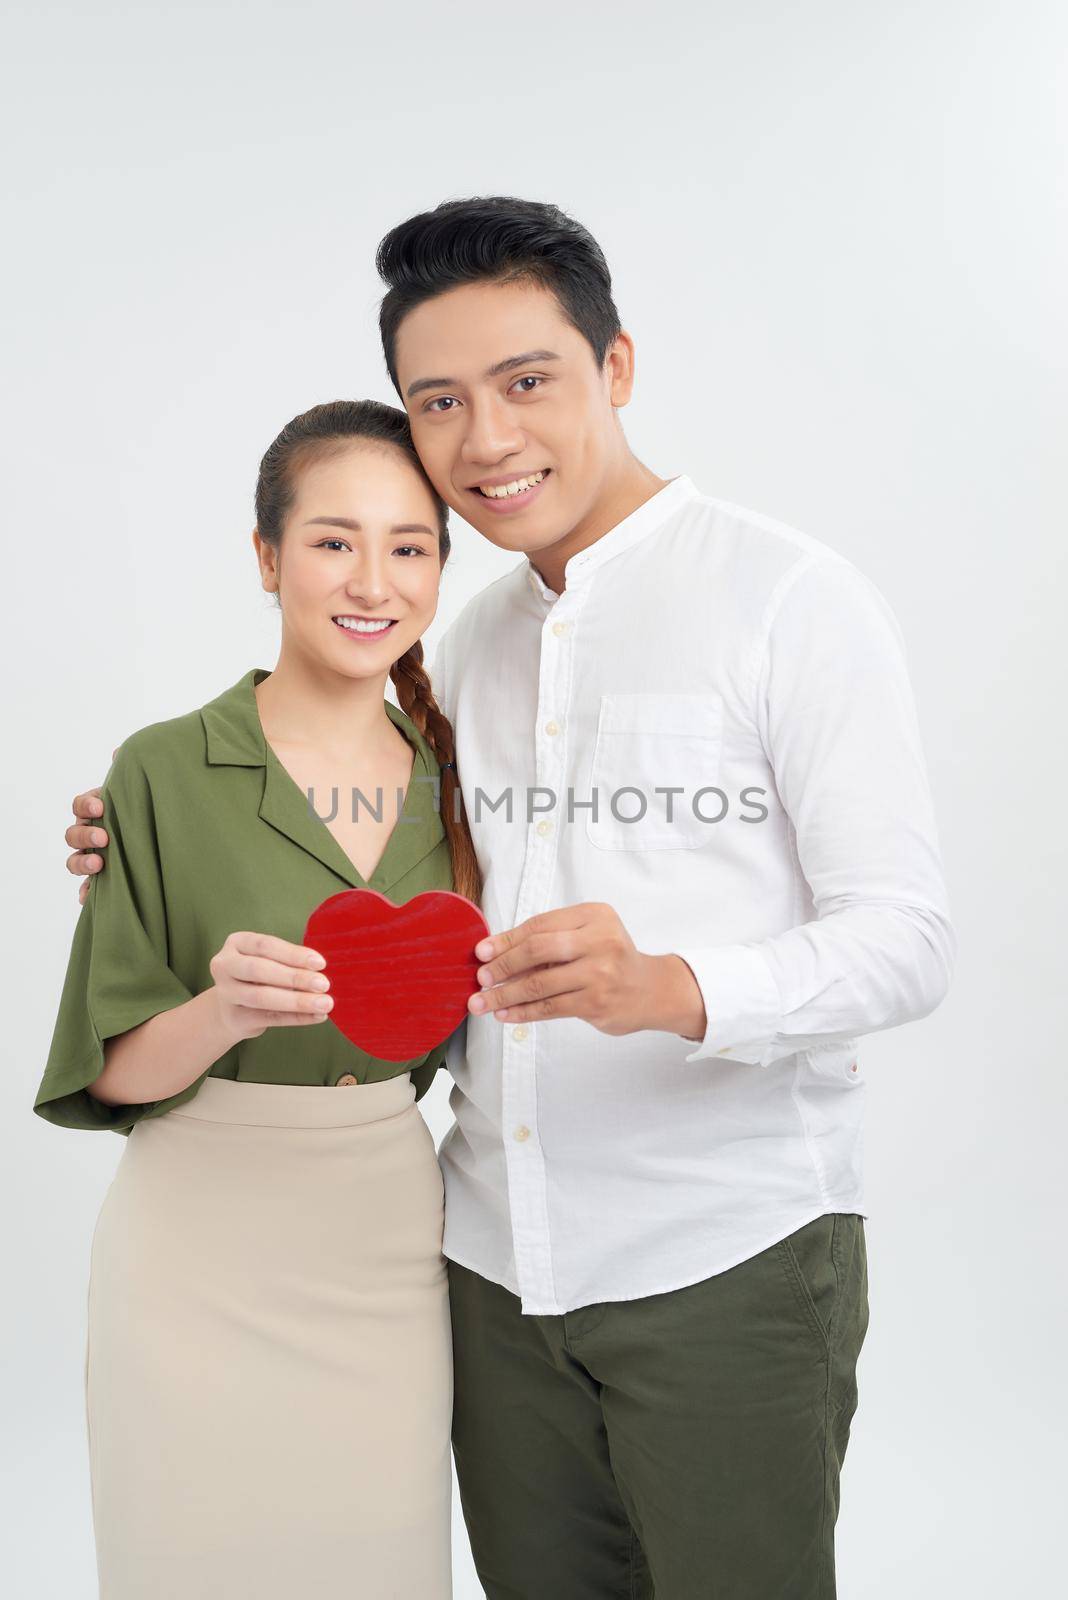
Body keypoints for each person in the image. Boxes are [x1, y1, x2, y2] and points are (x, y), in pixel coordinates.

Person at [64, 197, 956, 1600]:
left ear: (616, 366)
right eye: (440, 401)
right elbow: (345, 834)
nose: (486, 440)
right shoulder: (458, 645)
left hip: (720, 1256)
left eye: (527, 381)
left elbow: (909, 939)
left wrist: (675, 986)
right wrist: (157, 821)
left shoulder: (791, 600)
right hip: (481, 1269)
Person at [38, 399, 480, 1599]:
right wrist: (222, 1008)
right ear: (267, 555)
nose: (372, 580)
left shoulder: (469, 780)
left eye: (411, 545)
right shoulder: (160, 769)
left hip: (384, 1238)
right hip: (194, 1244)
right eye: (334, 540)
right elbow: (112, 1068)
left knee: (380, 1563)